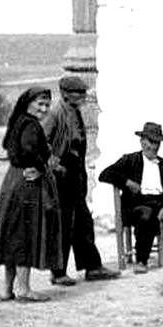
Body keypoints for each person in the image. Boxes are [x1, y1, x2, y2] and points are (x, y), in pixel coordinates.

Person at [40, 75, 120, 284]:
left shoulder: (74, 112)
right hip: (61, 177)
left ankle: (92, 267)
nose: (83, 97)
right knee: (63, 224)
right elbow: (41, 142)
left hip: (75, 176)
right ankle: (57, 273)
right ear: (66, 94)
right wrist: (55, 164)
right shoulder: (56, 114)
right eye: (78, 93)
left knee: (83, 222)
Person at [0, 87, 62, 302]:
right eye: (39, 104)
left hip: (12, 180)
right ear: (28, 103)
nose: (43, 109)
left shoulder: (18, 121)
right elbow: (28, 150)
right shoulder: (32, 126)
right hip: (27, 183)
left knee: (11, 235)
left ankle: (7, 289)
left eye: (47, 105)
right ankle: (23, 289)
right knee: (26, 234)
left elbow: (11, 147)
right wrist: (42, 167)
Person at [98, 122, 163, 273]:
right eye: (150, 141)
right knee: (147, 214)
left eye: (157, 142)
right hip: (136, 205)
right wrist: (127, 182)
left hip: (161, 204)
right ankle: (142, 260)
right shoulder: (130, 160)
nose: (154, 147)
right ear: (142, 141)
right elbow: (105, 174)